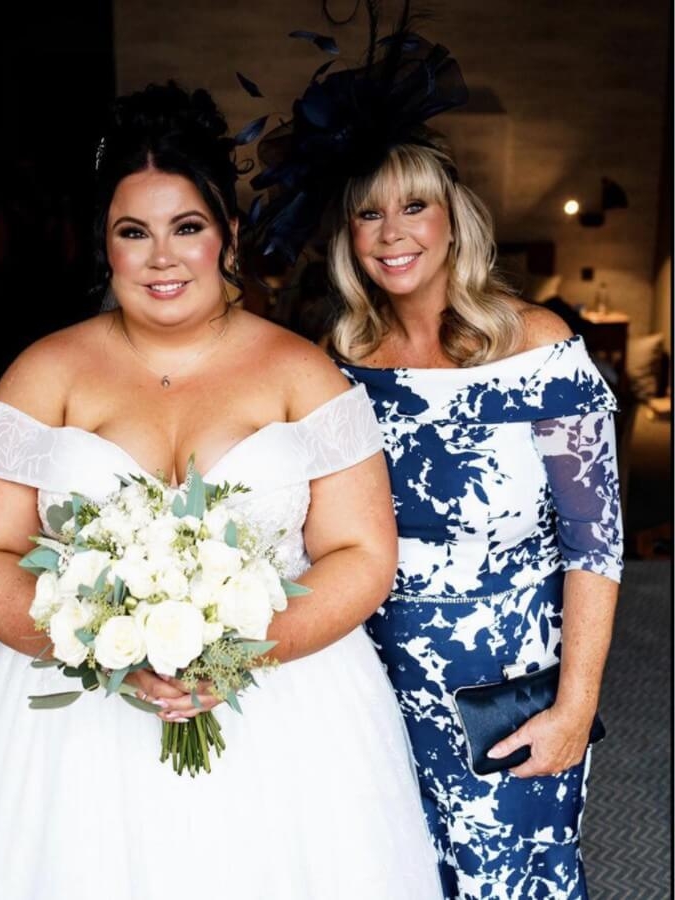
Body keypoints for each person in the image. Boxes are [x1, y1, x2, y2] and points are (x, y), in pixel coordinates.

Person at [0, 82, 442, 899]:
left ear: (227, 239)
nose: (161, 257)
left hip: (289, 703)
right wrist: (100, 649)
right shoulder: (43, 372)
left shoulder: (301, 373)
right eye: (134, 232)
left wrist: (245, 650)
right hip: (76, 719)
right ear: (107, 246)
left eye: (187, 228)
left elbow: (364, 551)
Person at [251, 10, 623, 898]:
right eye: (368, 214)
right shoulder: (336, 364)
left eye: (414, 205)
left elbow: (597, 545)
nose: (392, 232)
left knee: (512, 881)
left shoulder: (538, 347)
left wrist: (575, 708)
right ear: (346, 237)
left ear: (455, 217)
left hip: (511, 684)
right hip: (373, 678)